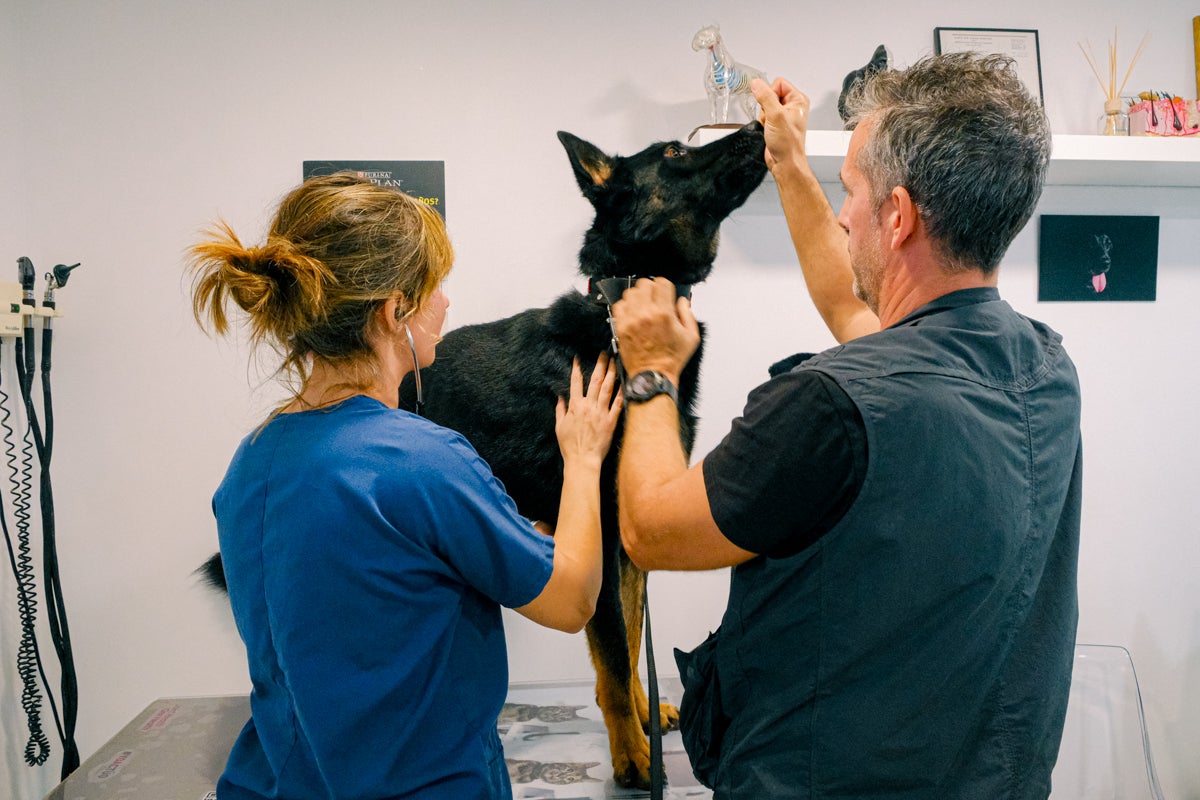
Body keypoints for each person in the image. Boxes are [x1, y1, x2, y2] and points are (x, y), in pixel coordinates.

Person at [610, 53, 1082, 799]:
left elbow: (648, 531)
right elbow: (849, 302)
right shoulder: (1045, 372)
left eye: (850, 191)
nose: (841, 213)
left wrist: (651, 370)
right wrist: (790, 162)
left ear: (898, 216)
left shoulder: (827, 406)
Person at [188, 173, 622, 800]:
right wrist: (583, 459)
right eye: (434, 288)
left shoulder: (252, 458)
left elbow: (360, 587)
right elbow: (571, 600)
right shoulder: (424, 460)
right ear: (394, 311)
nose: (446, 304)